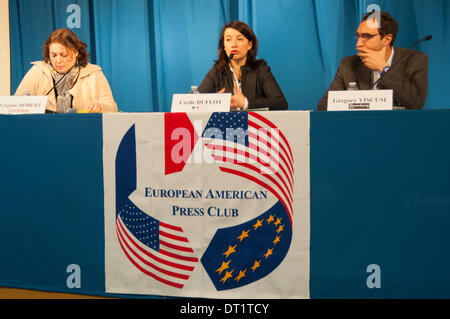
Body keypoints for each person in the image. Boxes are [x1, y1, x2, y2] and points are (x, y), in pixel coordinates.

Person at [317, 11, 428, 110]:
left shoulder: (416, 60)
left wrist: (384, 69)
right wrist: (354, 102)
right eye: (358, 36)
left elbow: (416, 103)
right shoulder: (347, 64)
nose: (358, 44)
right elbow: (323, 106)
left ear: (386, 39)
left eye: (366, 36)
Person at [15, 28, 117, 113]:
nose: (58, 61)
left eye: (64, 55)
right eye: (53, 55)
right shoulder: (37, 71)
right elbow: (16, 105)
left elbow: (112, 107)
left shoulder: (93, 74)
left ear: (76, 52)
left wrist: (100, 106)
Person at [198, 21, 288, 111]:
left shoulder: (261, 69)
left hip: (255, 123)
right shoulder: (217, 70)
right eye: (228, 40)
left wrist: (245, 102)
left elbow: (281, 103)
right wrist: (213, 102)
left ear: (250, 45)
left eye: (239, 39)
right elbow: (194, 103)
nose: (234, 45)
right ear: (224, 47)